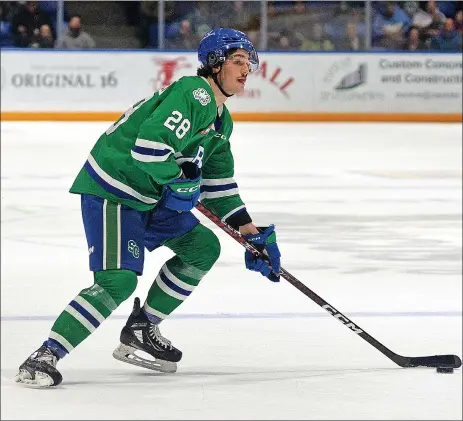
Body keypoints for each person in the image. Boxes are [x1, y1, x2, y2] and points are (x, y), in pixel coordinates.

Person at [14, 28, 282, 388]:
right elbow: (148, 147)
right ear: (215, 64)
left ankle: (143, 327)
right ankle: (45, 355)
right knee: (118, 282)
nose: (246, 69)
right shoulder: (195, 93)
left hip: (150, 195)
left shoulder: (221, 120)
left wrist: (251, 235)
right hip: (116, 190)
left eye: (249, 62)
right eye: (237, 61)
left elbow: (218, 187)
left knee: (203, 248)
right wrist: (178, 179)